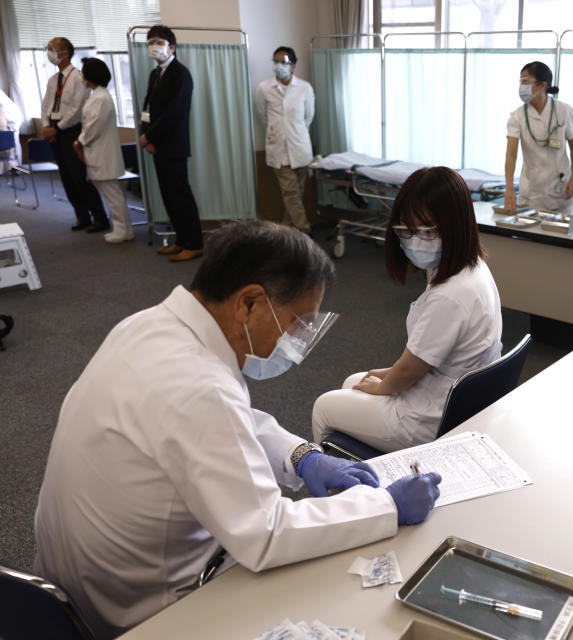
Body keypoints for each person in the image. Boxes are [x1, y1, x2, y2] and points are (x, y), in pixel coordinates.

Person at [33, 221, 442, 638]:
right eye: (299, 323)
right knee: (348, 600)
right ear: (249, 303)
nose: (298, 340)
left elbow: (226, 422)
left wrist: (302, 456)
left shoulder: (148, 327)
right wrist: (386, 507)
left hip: (70, 590)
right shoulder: (199, 387)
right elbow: (266, 535)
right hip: (144, 610)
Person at [312, 167, 502, 452]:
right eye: (406, 230)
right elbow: (427, 358)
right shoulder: (472, 267)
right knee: (354, 381)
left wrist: (385, 384)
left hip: (428, 419)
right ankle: (361, 474)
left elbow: (410, 371)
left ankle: (342, 485)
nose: (415, 241)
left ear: (453, 225)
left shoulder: (450, 295)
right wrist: (387, 374)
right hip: (452, 394)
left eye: (427, 230)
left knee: (324, 407)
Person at [139, 25, 204, 262]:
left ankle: (195, 243)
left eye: (159, 42)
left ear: (172, 47)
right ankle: (181, 240)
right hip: (156, 144)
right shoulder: (155, 74)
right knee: (168, 195)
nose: (154, 46)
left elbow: (175, 112)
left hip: (173, 145)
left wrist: (150, 137)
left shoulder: (181, 74)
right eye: (150, 42)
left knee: (180, 194)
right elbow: (148, 108)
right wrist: (144, 133)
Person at [40, 37, 110, 232]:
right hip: (54, 131)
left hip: (70, 130)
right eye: (49, 48)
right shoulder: (53, 80)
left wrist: (58, 127)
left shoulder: (78, 77)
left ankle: (100, 217)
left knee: (79, 176)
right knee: (66, 177)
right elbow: (46, 105)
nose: (50, 52)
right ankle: (82, 216)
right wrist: (47, 126)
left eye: (53, 49)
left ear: (66, 53)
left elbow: (77, 109)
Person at [503, 61, 573, 214]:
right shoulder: (517, 116)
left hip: (561, 191)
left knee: (560, 236)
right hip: (532, 194)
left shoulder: (564, 111)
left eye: (525, 81)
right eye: (520, 81)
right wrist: (509, 188)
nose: (521, 86)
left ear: (542, 85)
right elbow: (511, 154)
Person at [254, 46, 316, 234]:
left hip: (300, 147)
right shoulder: (264, 88)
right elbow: (262, 115)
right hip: (277, 148)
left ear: (293, 66)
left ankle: (285, 229)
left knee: (296, 193)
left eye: (283, 61)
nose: (279, 65)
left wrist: (293, 131)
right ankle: (305, 230)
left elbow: (309, 117)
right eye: (276, 61)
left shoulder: (304, 88)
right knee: (290, 192)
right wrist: (280, 131)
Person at [73, 58, 132, 243]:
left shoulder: (101, 98)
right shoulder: (97, 96)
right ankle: (124, 230)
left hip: (103, 155)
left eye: (83, 72)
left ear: (91, 75)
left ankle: (122, 230)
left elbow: (93, 126)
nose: (81, 76)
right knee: (112, 195)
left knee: (113, 196)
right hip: (98, 154)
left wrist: (79, 142)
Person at [0, 88, 22, 175]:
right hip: (6, 119)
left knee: (13, 144)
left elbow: (2, 119)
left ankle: (16, 167)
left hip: (11, 120)